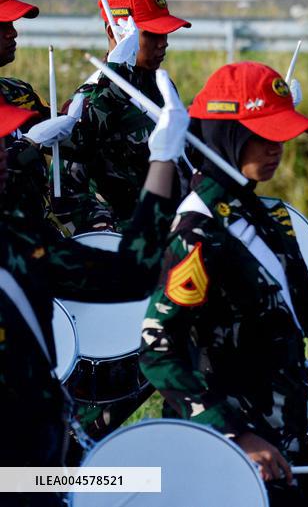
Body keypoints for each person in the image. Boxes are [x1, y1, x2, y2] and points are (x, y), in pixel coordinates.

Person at [139, 62, 308, 506]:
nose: (277, 148)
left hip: (285, 440)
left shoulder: (263, 216)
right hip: (229, 456)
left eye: (281, 134)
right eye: (263, 135)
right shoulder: (197, 229)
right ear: (226, 134)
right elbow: (157, 346)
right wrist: (234, 432)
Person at [0, 73, 186, 507]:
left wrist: (161, 165)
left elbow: (133, 274)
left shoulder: (20, 242)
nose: (7, 154)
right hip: (16, 476)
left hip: (34, 475)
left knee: (141, 485)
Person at [58, 0, 192, 234]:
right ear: (115, 32)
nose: (163, 42)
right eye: (151, 34)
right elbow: (67, 194)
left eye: (165, 32)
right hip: (134, 246)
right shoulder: (89, 99)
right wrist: (114, 233)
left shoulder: (159, 83)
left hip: (175, 232)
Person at [0, 0, 81, 224]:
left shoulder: (18, 93)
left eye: (12, 23)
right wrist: (28, 145)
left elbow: (77, 142)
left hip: (31, 241)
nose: (13, 32)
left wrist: (109, 76)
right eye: (2, 25)